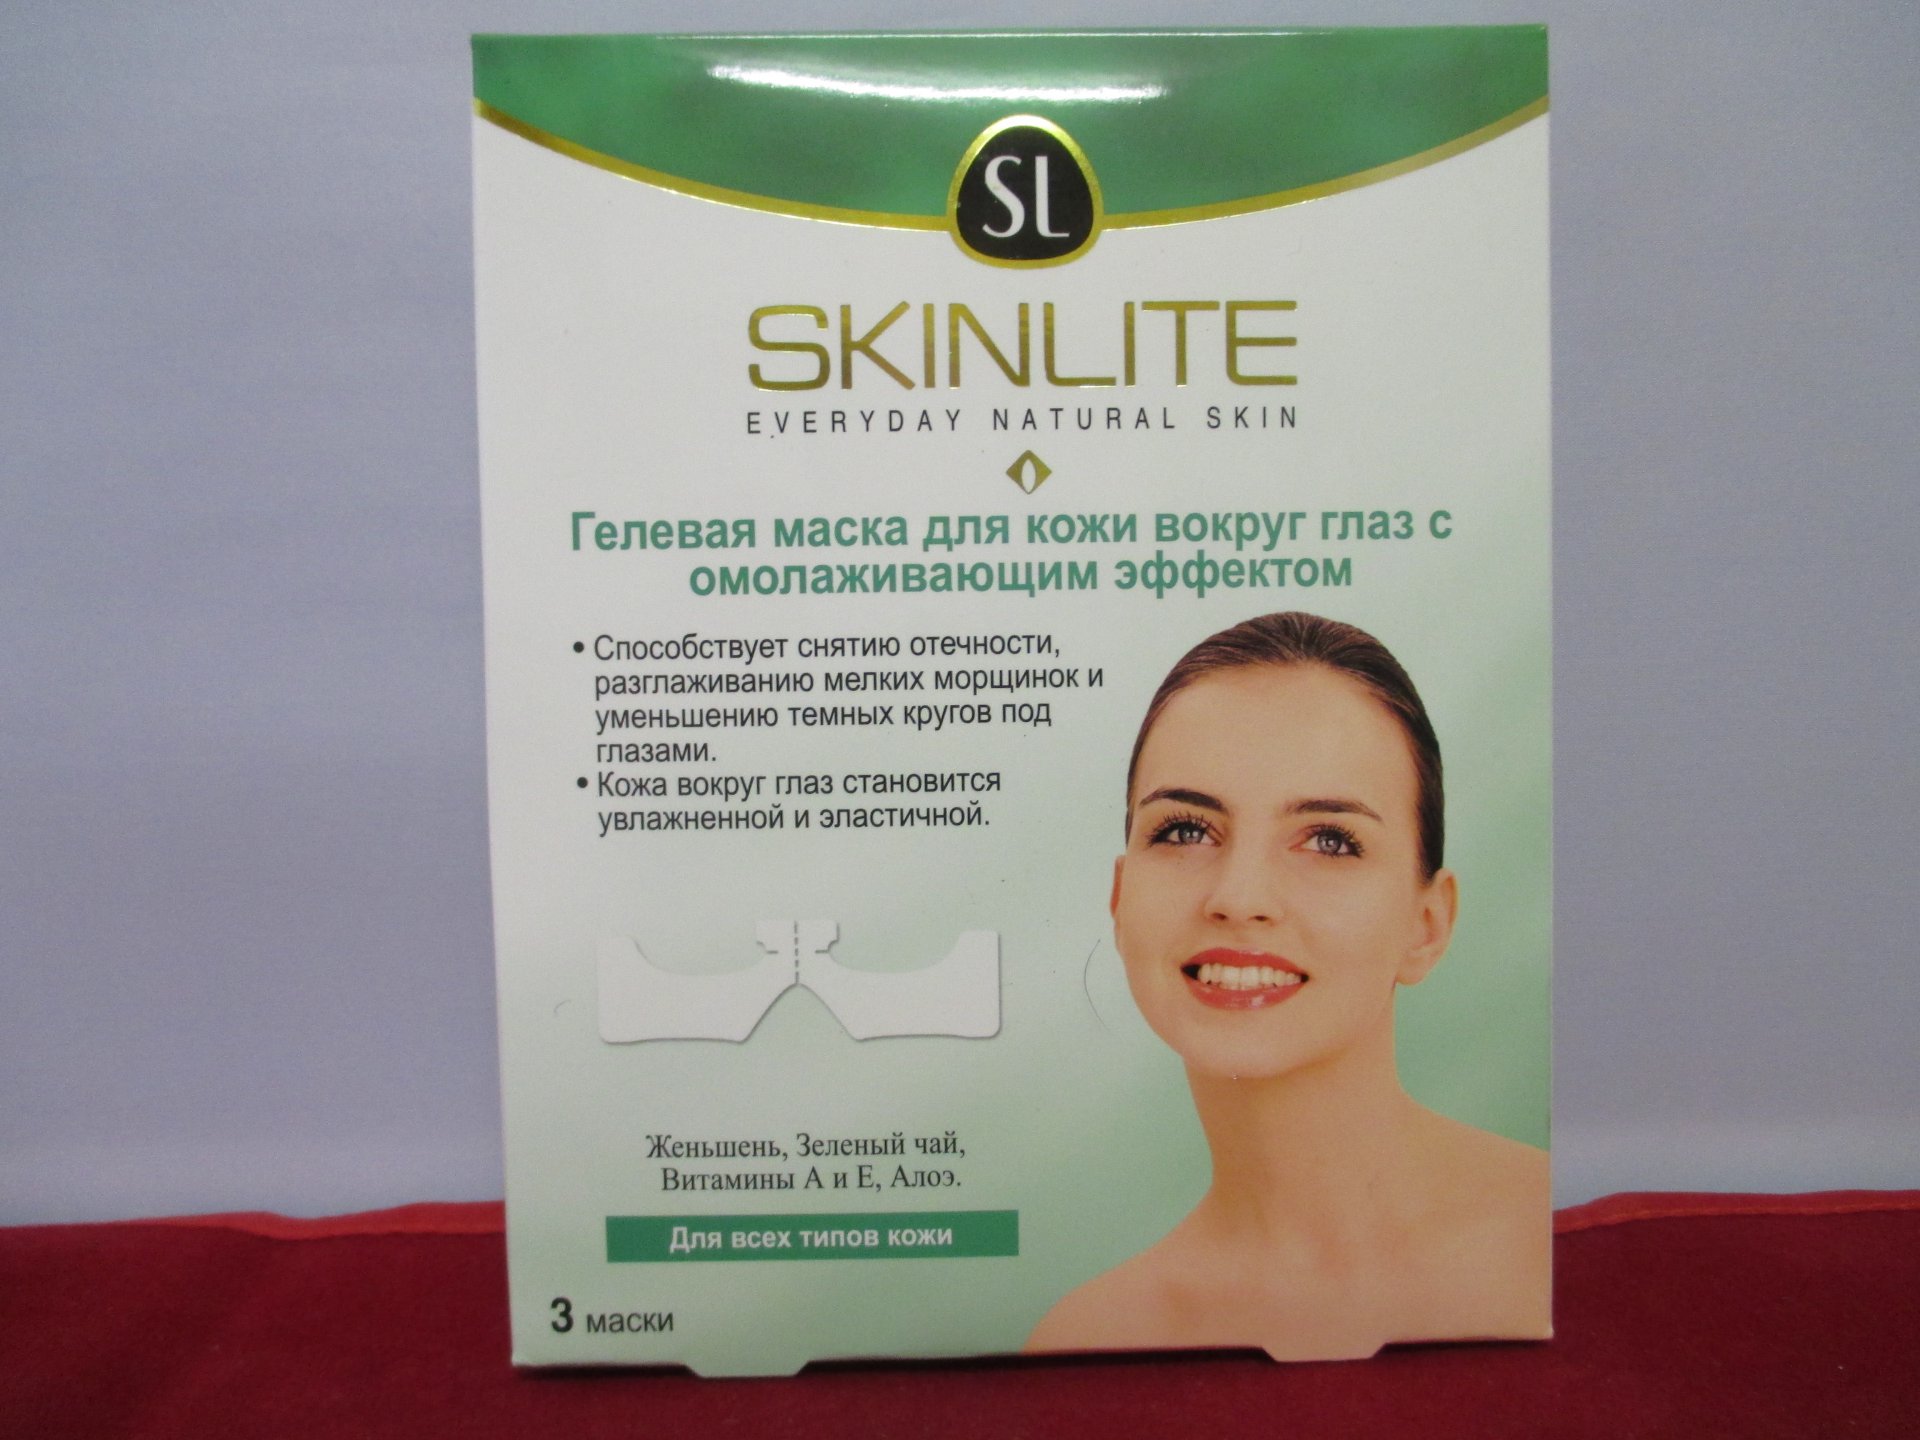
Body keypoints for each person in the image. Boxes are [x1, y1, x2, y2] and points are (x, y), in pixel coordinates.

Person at [1028, 612, 1549, 1360]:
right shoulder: (1088, 1340)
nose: (1239, 898)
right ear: (1118, 899)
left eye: (1330, 840)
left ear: (1427, 925)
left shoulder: (1561, 1245)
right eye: (1184, 831)